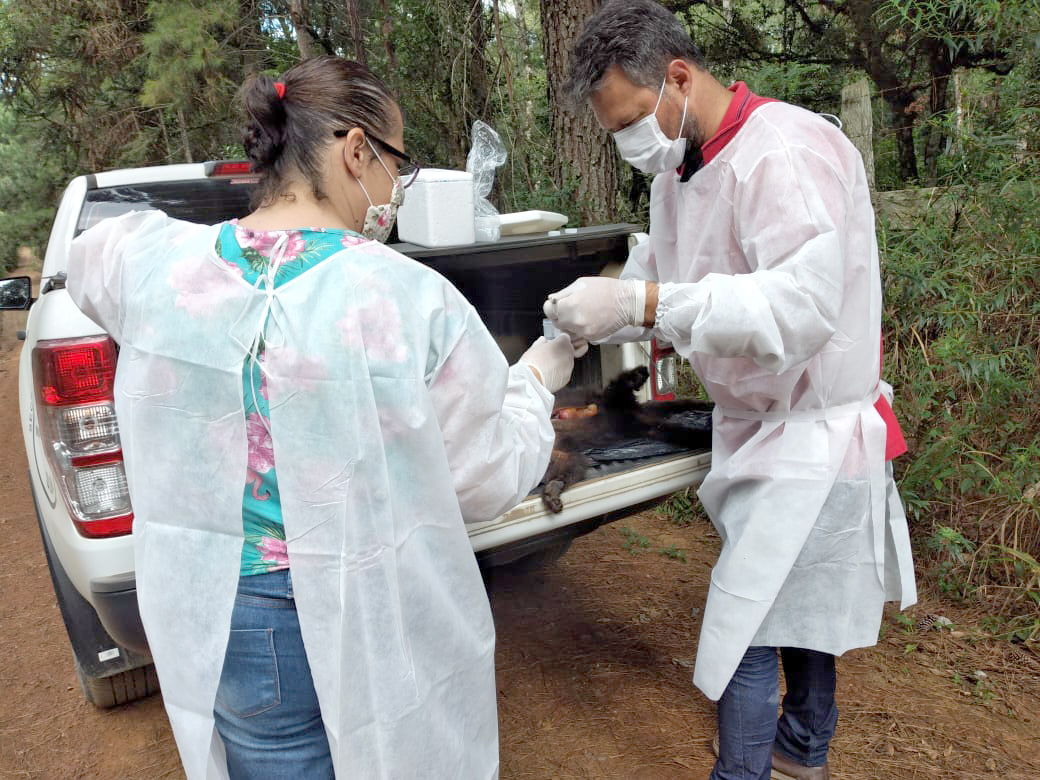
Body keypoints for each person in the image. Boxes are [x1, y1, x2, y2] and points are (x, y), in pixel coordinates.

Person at [66, 55, 584, 780]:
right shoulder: (409, 297)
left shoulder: (160, 264)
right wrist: (534, 378)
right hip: (355, 603)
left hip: (217, 605)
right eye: (396, 167)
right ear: (355, 150)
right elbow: (482, 479)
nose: (395, 192)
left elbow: (87, 259)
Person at [542, 3, 917, 779]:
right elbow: (666, 281)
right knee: (798, 604)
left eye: (632, 120)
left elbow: (799, 310)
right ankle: (804, 748)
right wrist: (583, 324)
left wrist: (644, 308)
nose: (629, 143)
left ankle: (746, 769)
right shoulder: (685, 166)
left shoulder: (785, 150)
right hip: (755, 423)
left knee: (745, 624)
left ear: (678, 76)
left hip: (815, 428)